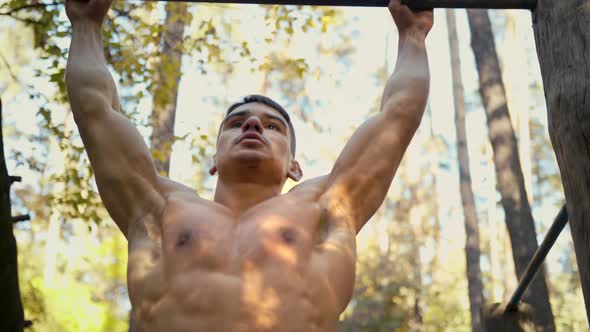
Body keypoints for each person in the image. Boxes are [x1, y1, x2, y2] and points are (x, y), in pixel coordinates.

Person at [64, 0, 433, 330]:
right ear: (214, 161)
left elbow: (398, 116)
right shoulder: (161, 210)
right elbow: (96, 110)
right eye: (237, 123)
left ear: (294, 167)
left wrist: (413, 34)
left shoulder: (326, 207)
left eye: (272, 126)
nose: (253, 124)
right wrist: (85, 24)